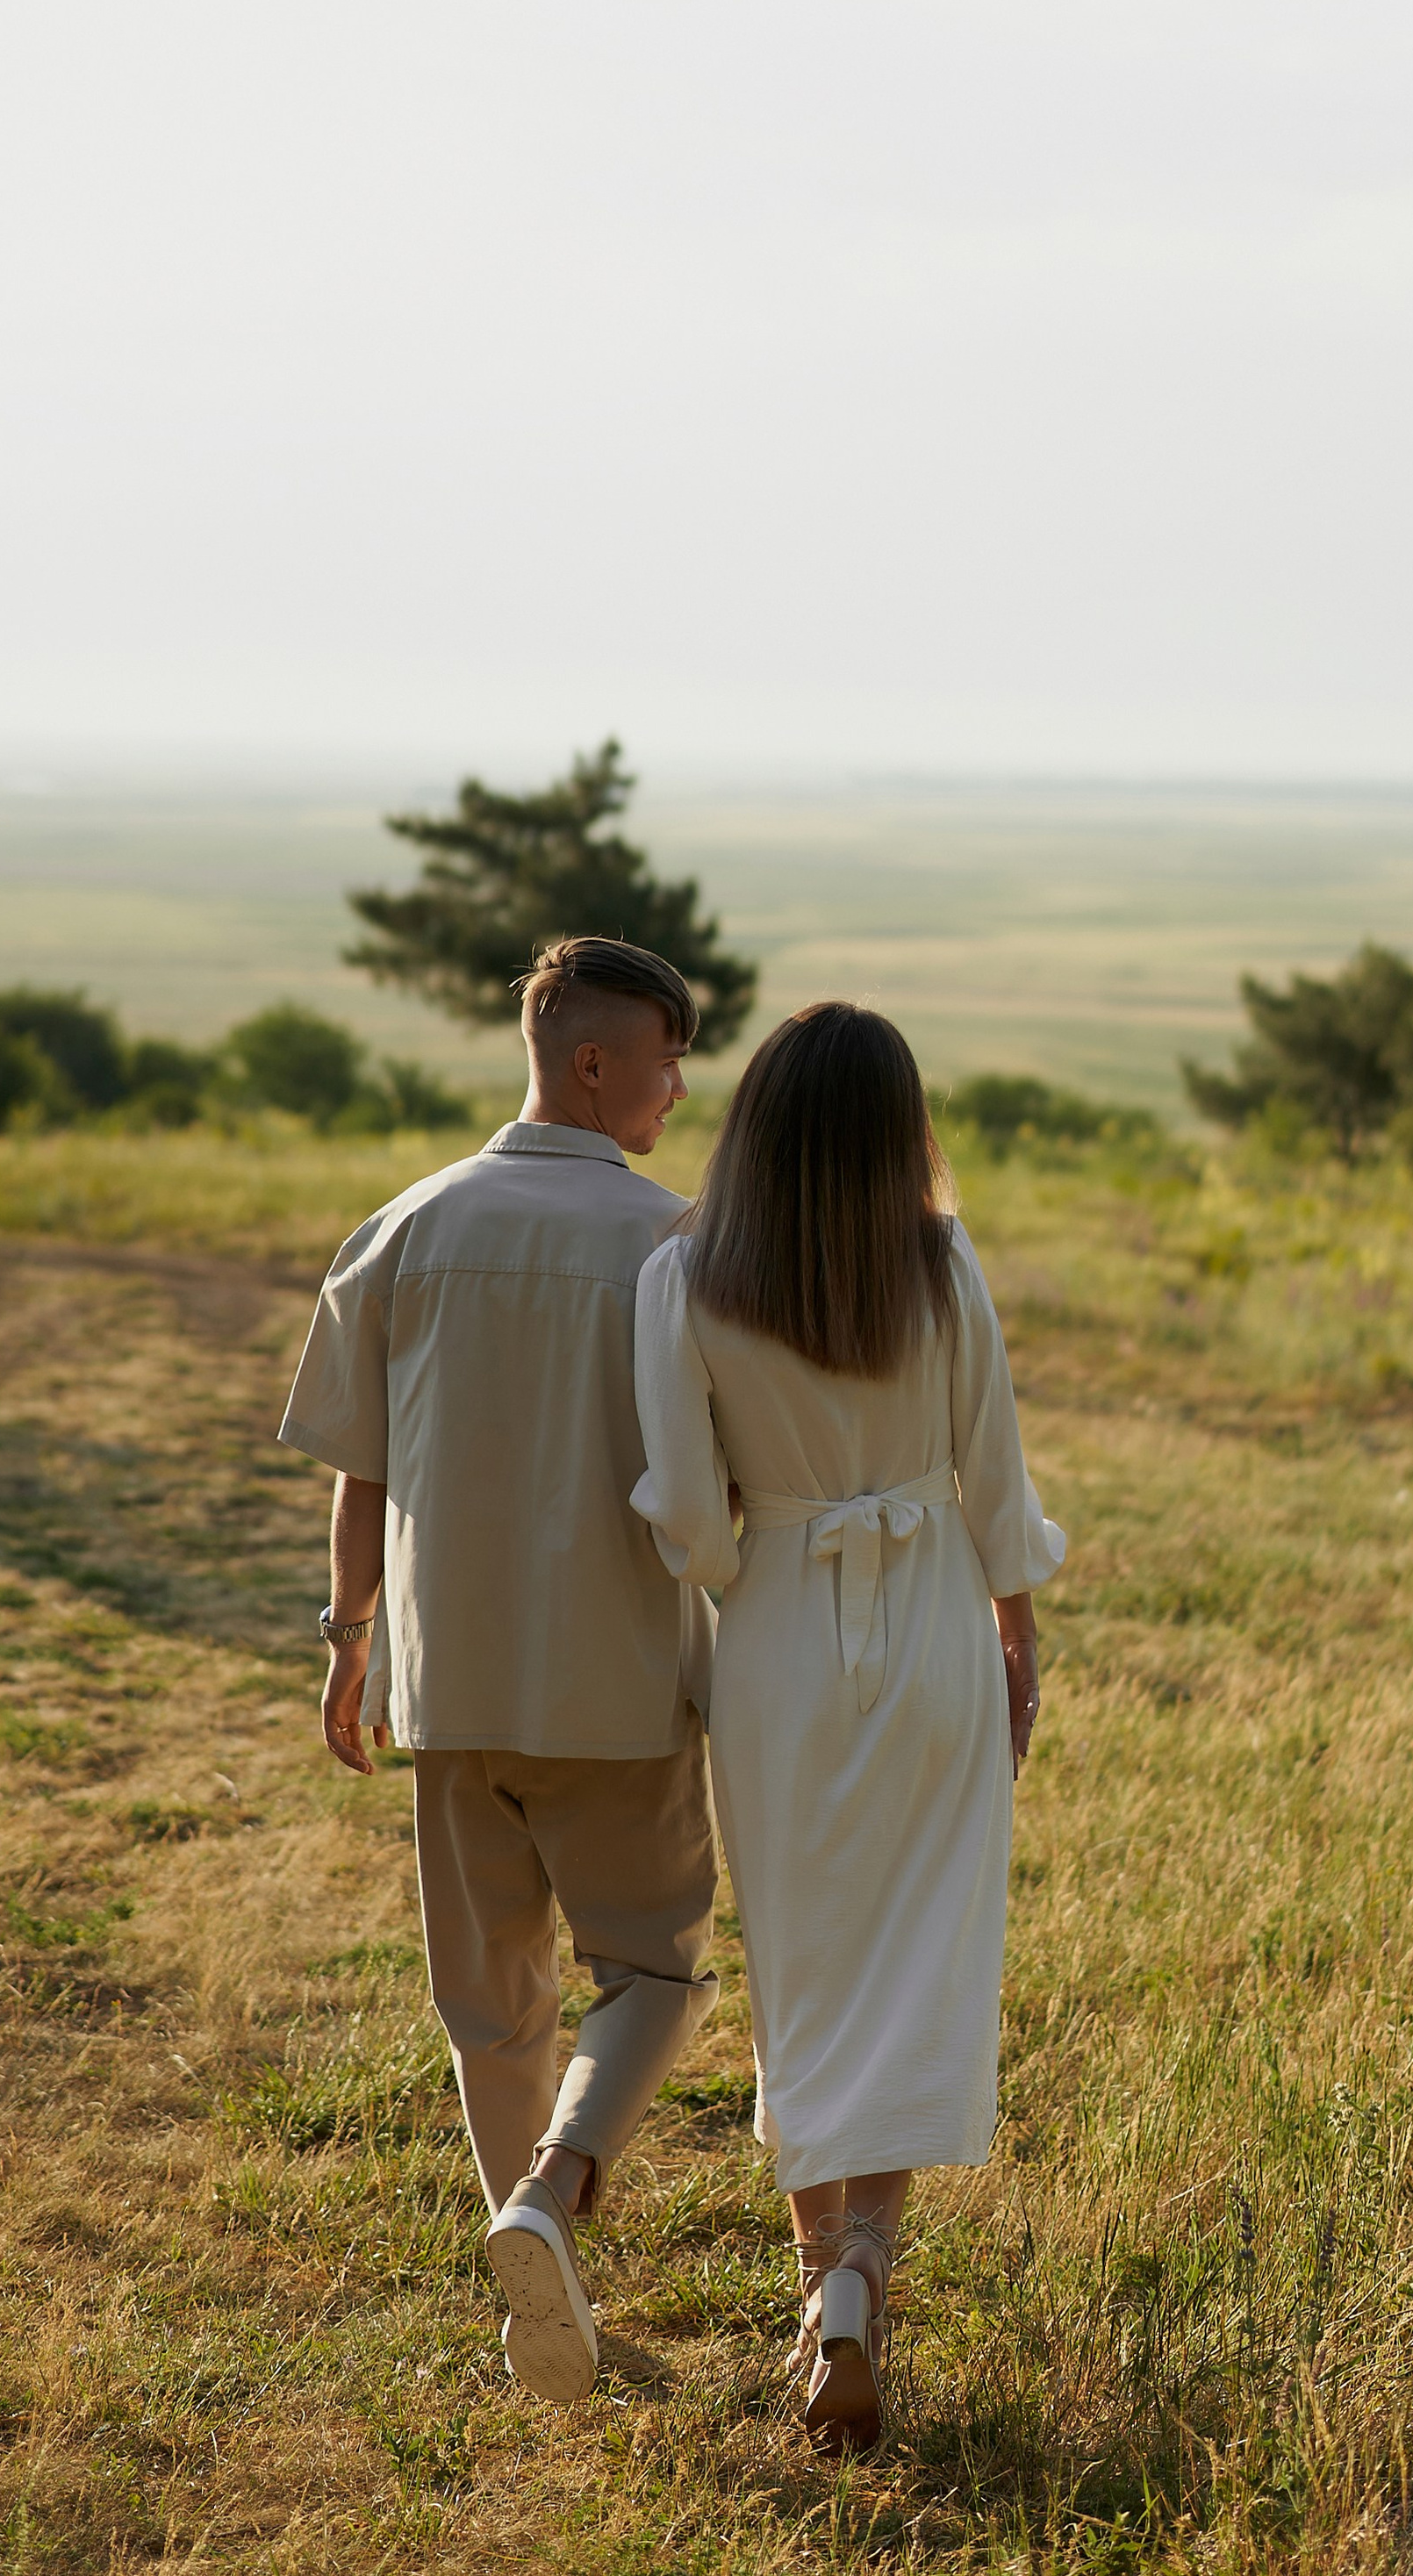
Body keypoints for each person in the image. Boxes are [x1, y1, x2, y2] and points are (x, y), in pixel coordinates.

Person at [281, 934, 719, 2407]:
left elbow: (358, 1467)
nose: (678, 1083)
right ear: (591, 1061)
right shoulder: (679, 1243)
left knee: (490, 2002)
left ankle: (536, 2273)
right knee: (653, 1963)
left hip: (446, 1683)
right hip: (622, 1684)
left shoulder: (406, 1223)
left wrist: (349, 1641)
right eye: (665, 1055)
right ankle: (548, 2202)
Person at [630, 1001, 1064, 2457]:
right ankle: (864, 2280)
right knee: (921, 1953)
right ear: (900, 1131)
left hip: (779, 1644)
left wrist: (749, 1549)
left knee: (805, 1971)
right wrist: (1014, 1634)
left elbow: (691, 1520)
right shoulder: (945, 1267)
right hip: (937, 1623)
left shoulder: (683, 1276)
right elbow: (994, 1477)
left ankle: (827, 2292)